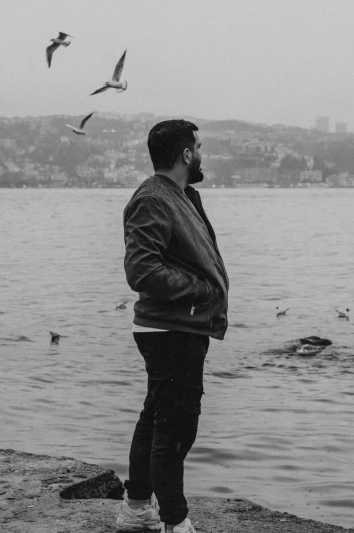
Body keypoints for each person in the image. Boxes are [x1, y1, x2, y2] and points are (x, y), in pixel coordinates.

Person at [116, 119, 229, 533]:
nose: (201, 154)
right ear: (185, 154)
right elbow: (142, 270)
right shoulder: (154, 199)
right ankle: (175, 521)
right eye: (198, 147)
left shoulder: (179, 196)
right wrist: (200, 291)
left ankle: (136, 508)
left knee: (157, 418)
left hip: (176, 327)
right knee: (177, 427)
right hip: (171, 330)